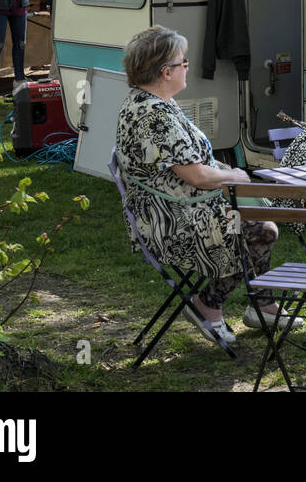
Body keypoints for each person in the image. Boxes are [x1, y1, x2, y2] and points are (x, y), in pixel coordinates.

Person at [115, 26, 292, 345]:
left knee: (254, 219)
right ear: (166, 72)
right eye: (183, 63)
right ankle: (207, 305)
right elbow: (195, 175)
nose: (187, 68)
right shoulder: (154, 115)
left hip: (179, 206)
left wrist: (230, 177)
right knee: (259, 230)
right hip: (169, 221)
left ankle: (263, 305)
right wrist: (235, 176)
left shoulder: (152, 102)